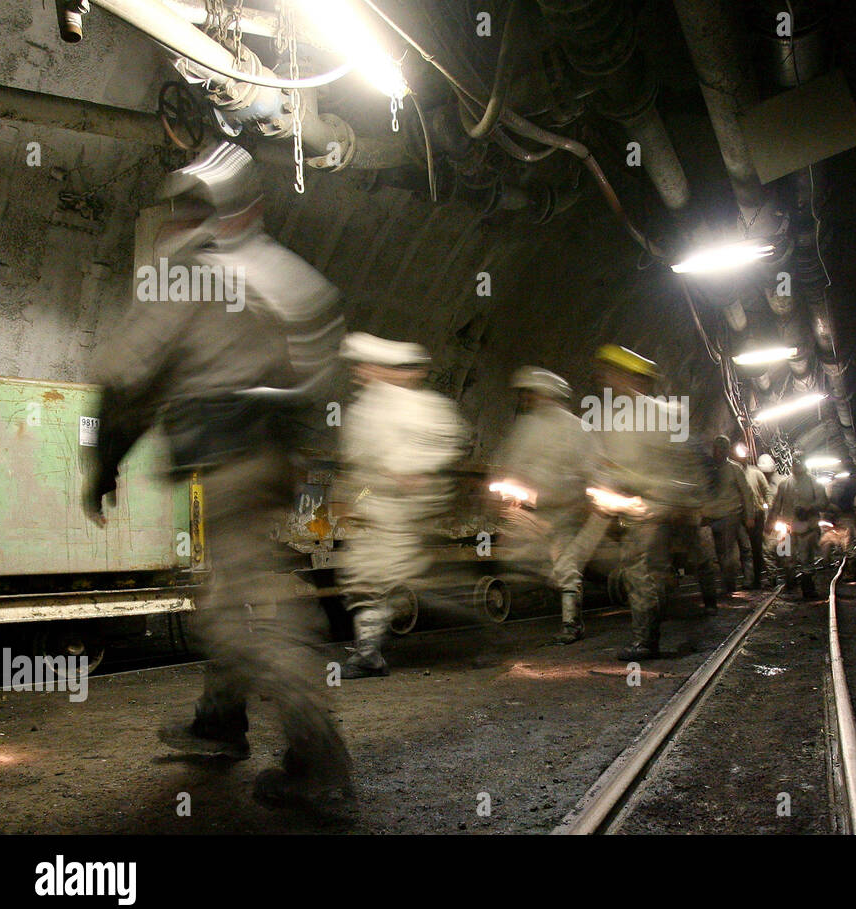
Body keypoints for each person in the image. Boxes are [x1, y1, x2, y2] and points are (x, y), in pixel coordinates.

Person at [84, 141, 352, 811]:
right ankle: (218, 720)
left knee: (243, 608)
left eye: (194, 205)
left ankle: (321, 762)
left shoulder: (188, 269)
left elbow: (128, 372)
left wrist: (104, 459)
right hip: (272, 459)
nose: (185, 217)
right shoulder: (289, 277)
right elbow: (327, 385)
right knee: (233, 587)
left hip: (230, 457)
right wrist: (314, 473)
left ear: (227, 211)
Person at [336, 333, 470, 678]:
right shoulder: (362, 411)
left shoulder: (423, 408)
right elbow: (363, 473)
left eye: (364, 365)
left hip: (402, 510)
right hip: (375, 509)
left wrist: (413, 472)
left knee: (388, 577)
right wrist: (355, 503)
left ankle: (462, 621)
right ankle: (368, 653)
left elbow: (444, 446)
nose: (358, 373)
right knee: (364, 577)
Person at [587, 344, 706, 660]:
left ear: (634, 378)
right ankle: (657, 625)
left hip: (654, 509)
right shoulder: (612, 419)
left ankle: (646, 641)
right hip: (632, 508)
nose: (610, 381)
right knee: (642, 573)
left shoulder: (665, 414)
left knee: (642, 574)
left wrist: (665, 501)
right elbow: (607, 466)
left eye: (616, 374)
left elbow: (686, 464)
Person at [495, 366, 594, 643]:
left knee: (565, 566)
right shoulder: (527, 426)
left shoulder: (574, 427)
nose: (527, 398)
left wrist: (585, 499)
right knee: (521, 557)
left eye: (532, 393)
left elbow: (591, 467)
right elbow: (514, 464)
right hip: (534, 506)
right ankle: (532, 606)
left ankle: (571, 623)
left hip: (565, 507)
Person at [767, 450, 828, 599]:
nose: (797, 465)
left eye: (799, 461)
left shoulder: (814, 482)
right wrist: (770, 522)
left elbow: (823, 502)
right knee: (786, 556)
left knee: (806, 558)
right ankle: (790, 584)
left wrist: (809, 508)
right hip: (788, 528)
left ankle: (807, 588)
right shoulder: (785, 484)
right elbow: (776, 505)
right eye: (795, 462)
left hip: (808, 527)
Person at [701, 435, 757, 596]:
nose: (719, 452)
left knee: (729, 551)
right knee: (722, 552)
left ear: (726, 451)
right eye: (717, 449)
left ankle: (733, 583)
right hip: (714, 517)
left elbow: (746, 493)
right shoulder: (710, 470)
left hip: (731, 514)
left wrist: (749, 516)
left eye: (723, 449)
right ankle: (730, 581)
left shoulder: (734, 469)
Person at [742, 453, 774, 588]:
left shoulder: (756, 473)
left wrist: (771, 510)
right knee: (745, 548)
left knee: (756, 547)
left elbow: (767, 491)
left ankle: (757, 578)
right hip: (741, 515)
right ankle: (750, 579)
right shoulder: (735, 472)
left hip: (757, 513)